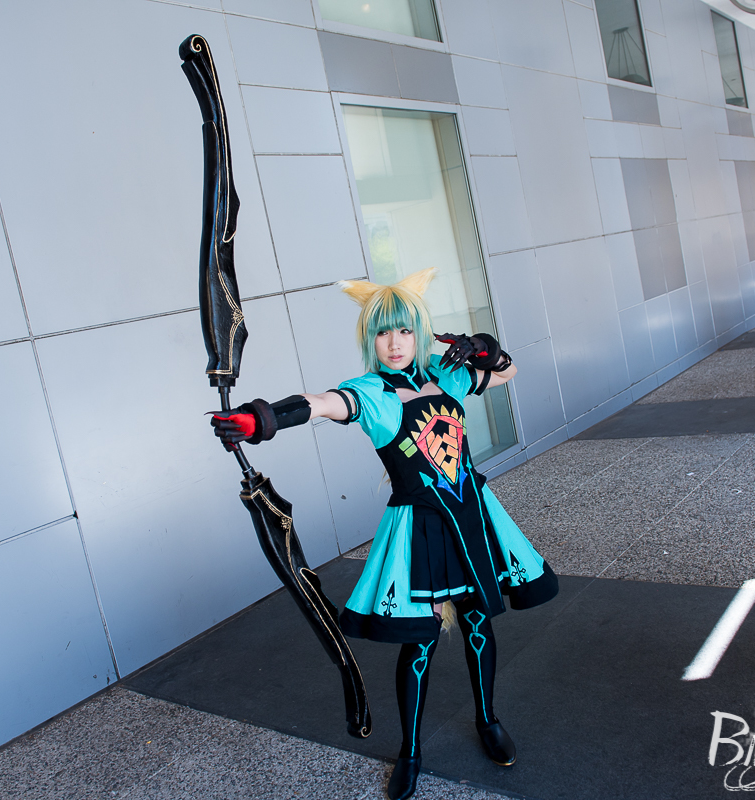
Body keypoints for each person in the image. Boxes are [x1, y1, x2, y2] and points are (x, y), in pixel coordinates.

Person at [211, 267, 558, 800]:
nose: (394, 343)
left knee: (477, 621)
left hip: (471, 514)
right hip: (420, 526)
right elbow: (320, 403)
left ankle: (488, 720)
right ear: (369, 338)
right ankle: (410, 751)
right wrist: (261, 420)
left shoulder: (448, 374)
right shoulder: (370, 393)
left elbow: (507, 373)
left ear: (419, 332)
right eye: (382, 332)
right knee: (419, 640)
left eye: (404, 330)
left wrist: (486, 349)